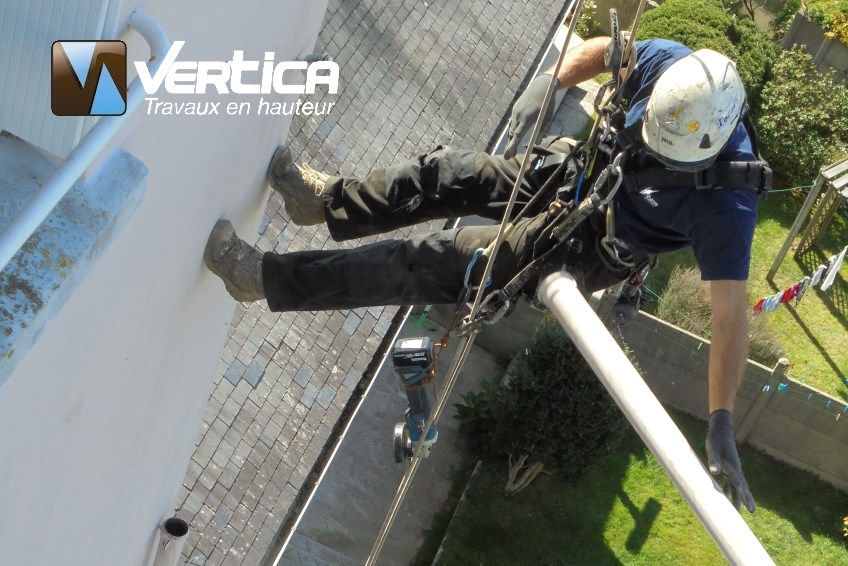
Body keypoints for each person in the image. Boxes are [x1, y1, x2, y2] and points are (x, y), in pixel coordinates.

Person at [204, 36, 769, 513]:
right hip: (580, 174)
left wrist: (720, 418)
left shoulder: (728, 205)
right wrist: (551, 84)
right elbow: (605, 52)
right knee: (447, 173)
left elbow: (729, 318)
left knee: (428, 261)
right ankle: (328, 202)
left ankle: (263, 279)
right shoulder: (675, 70)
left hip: (592, 243)